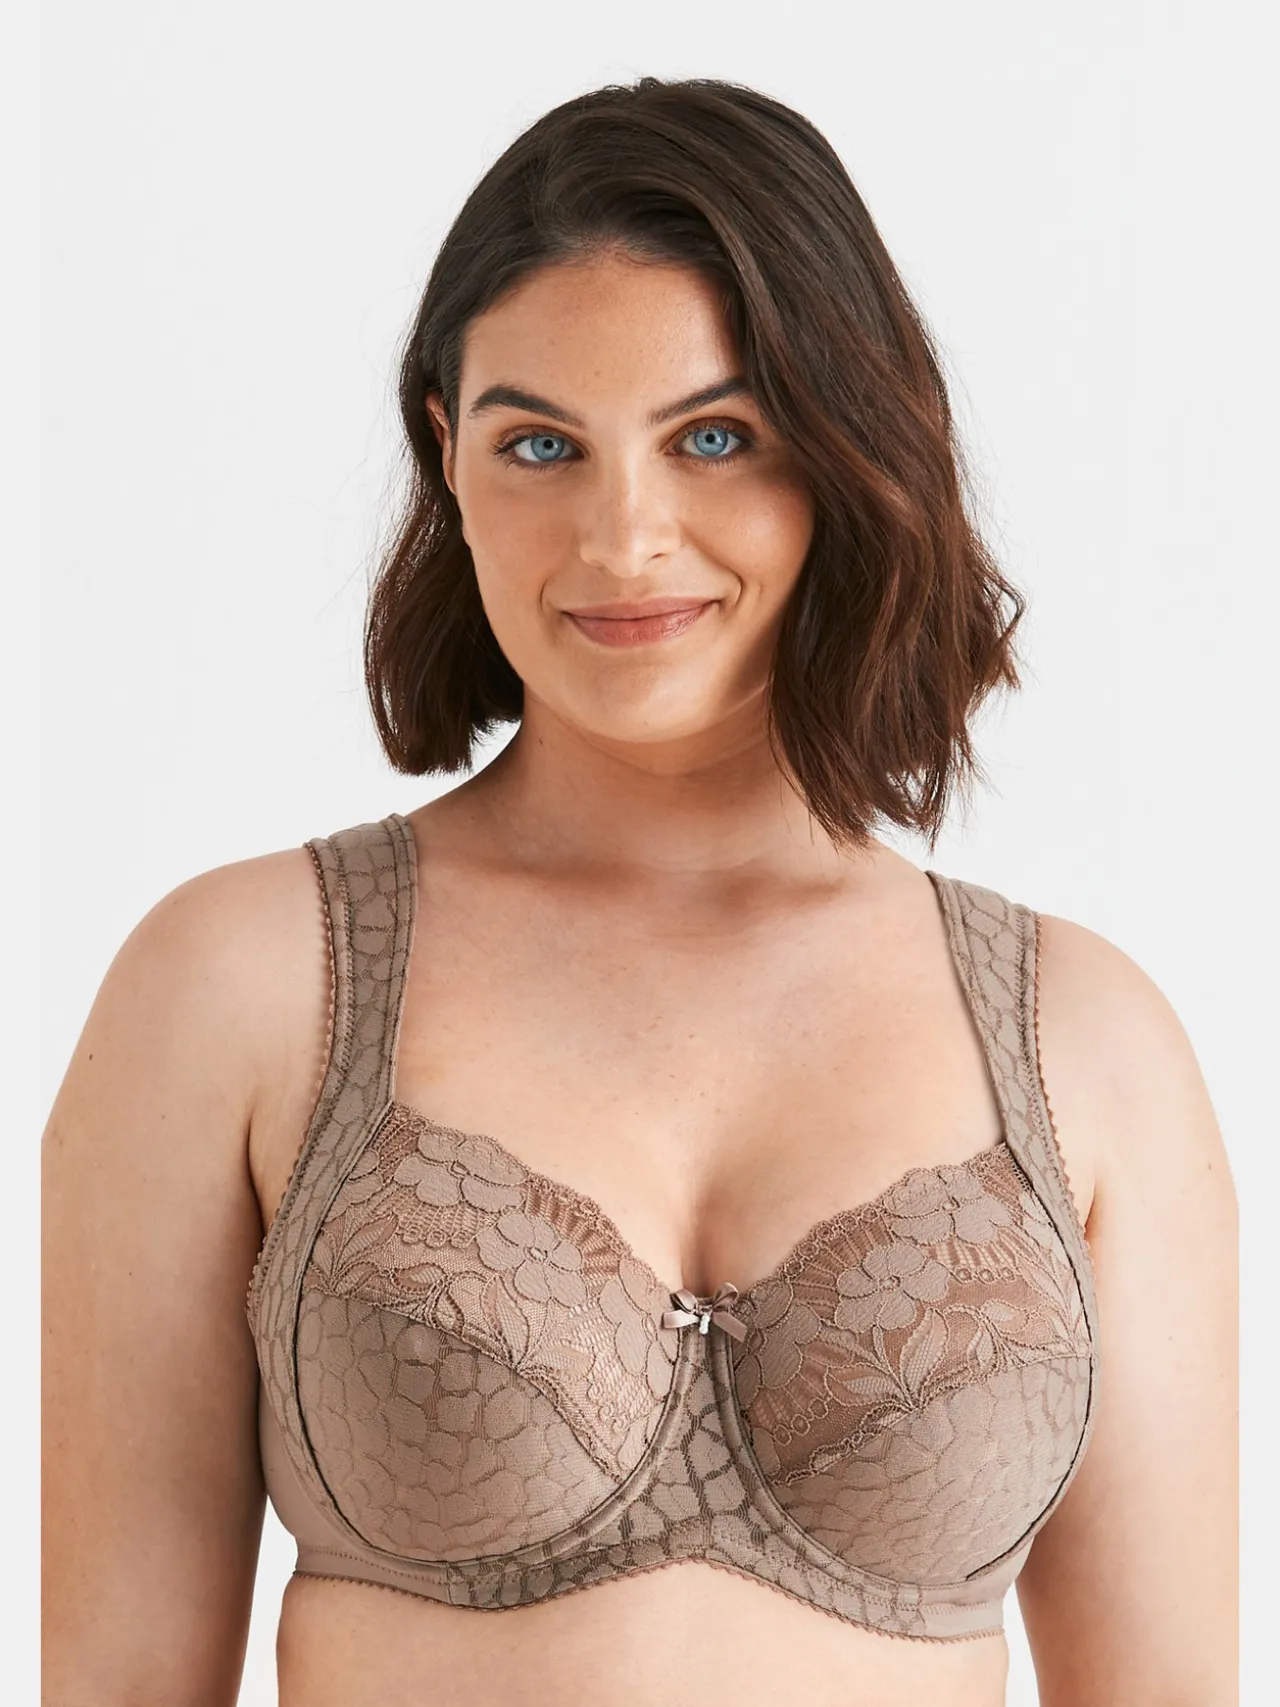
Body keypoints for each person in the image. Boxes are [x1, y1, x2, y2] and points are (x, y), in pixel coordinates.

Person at [42, 77, 1237, 1707]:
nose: (623, 537)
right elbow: (114, 1678)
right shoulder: (242, 985)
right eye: (542, 444)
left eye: (714, 437)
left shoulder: (1086, 1040)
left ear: (846, 448)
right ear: (447, 457)